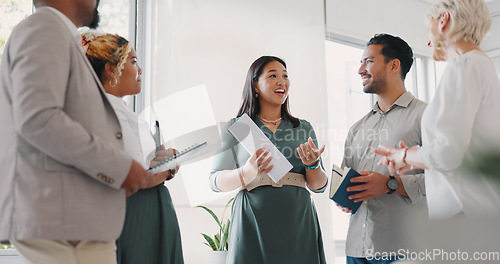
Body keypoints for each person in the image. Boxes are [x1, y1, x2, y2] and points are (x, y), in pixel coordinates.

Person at [0, 0, 153, 264]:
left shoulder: (56, 35)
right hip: (59, 222)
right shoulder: (44, 29)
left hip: (72, 223)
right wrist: (120, 167)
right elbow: (39, 118)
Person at [375, 0, 500, 219]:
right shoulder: (481, 65)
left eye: (428, 28)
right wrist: (413, 157)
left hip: (463, 216)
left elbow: (447, 154)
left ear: (444, 20)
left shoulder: (464, 65)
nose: (428, 41)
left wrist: (402, 154)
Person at [209, 56, 328, 264]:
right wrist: (246, 172)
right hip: (252, 219)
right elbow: (214, 181)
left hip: (298, 220)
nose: (281, 81)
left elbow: (318, 186)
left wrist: (313, 165)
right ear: (255, 84)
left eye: (285, 76)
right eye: (273, 75)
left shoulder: (303, 128)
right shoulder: (238, 126)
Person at [82, 31, 184, 264]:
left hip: (148, 208)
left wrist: (163, 160)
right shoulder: (109, 112)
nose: (140, 70)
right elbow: (133, 176)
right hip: (137, 212)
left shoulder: (122, 110)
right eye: (134, 61)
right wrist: (168, 168)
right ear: (110, 69)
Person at [338, 34, 427, 264]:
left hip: (405, 248)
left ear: (393, 65)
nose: (360, 70)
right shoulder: (357, 128)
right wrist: (343, 195)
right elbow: (347, 177)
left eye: (368, 61)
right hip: (356, 248)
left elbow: (448, 177)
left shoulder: (426, 116)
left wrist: (390, 184)